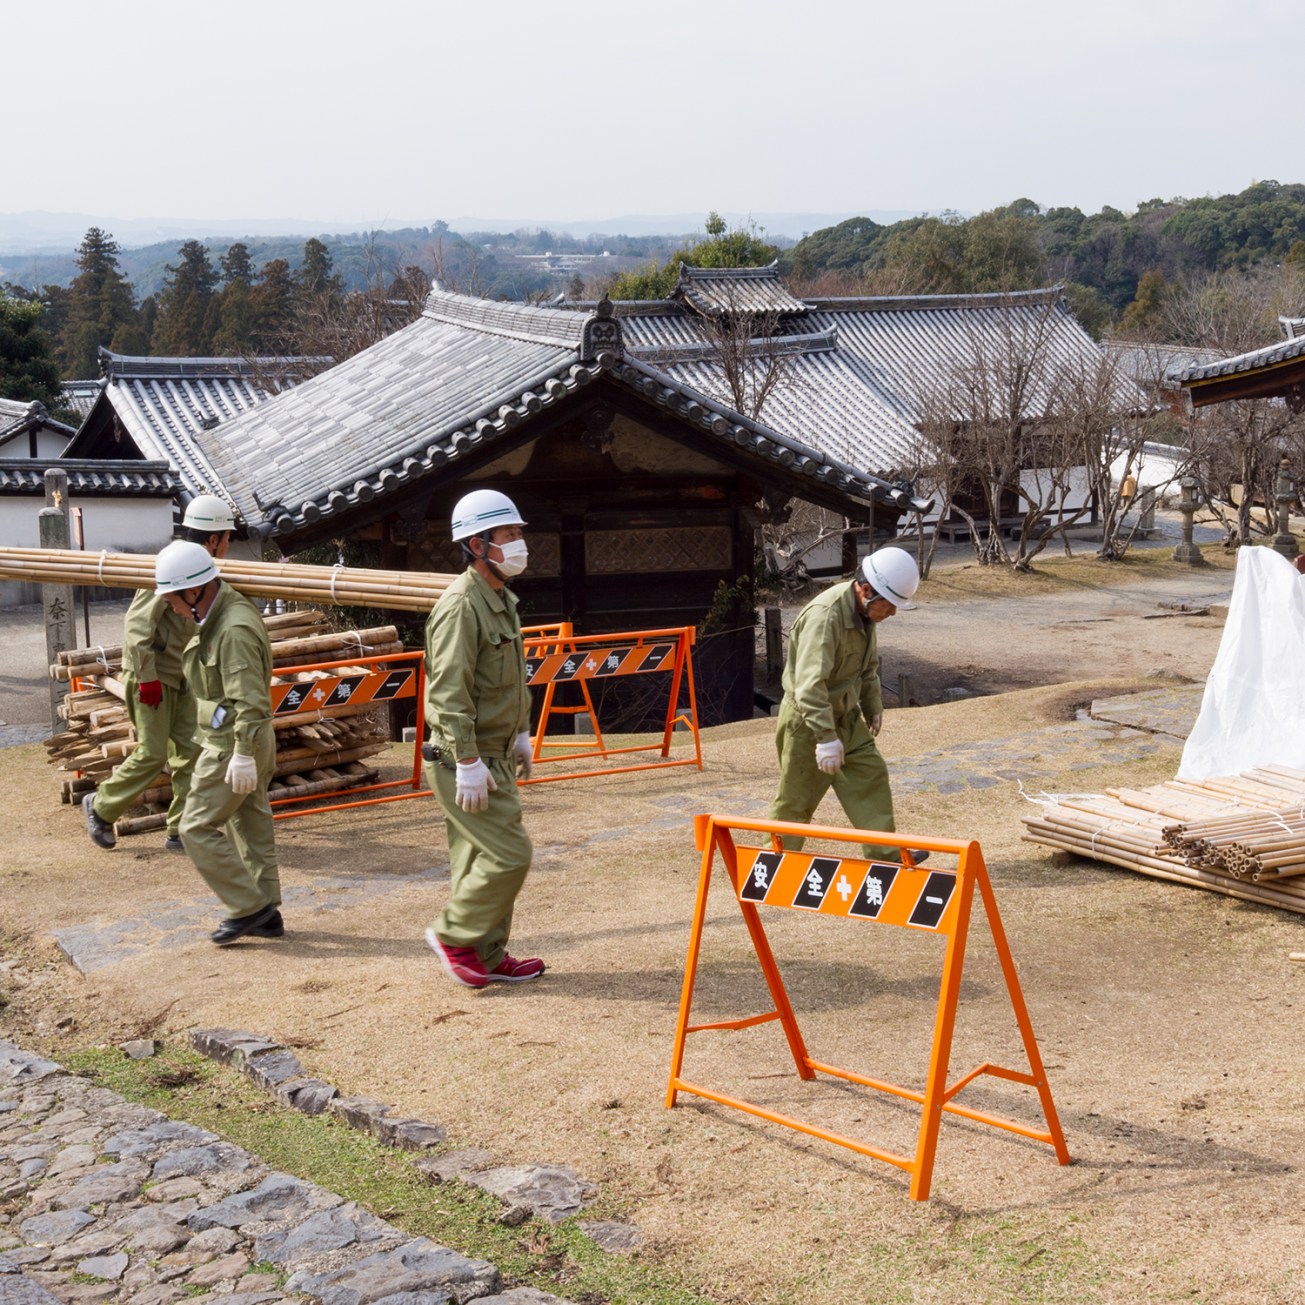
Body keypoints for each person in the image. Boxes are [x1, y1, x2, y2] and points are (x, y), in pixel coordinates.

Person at [422, 488, 541, 989]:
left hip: (493, 752)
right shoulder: (460, 607)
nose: (519, 545)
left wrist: (519, 733)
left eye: (518, 534)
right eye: (508, 535)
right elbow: (449, 691)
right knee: (510, 855)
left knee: (476, 858)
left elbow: (508, 678)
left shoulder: (499, 600)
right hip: (462, 758)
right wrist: (467, 759)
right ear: (477, 544)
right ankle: (453, 935)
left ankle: (487, 954)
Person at [82, 495, 236, 854]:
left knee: (190, 752)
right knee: (152, 753)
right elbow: (137, 627)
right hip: (151, 678)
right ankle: (101, 807)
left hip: (182, 679)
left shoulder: (204, 568)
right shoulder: (173, 563)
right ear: (212, 539)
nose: (228, 545)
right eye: (227, 537)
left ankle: (181, 829)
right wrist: (147, 676)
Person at [154, 539, 282, 946]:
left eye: (173, 598)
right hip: (242, 739)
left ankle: (248, 907)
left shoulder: (232, 629)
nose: (171, 607)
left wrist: (243, 754)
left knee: (194, 827)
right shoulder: (220, 616)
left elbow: (250, 701)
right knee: (251, 823)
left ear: (194, 592)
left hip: (234, 744)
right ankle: (267, 912)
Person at [768, 546, 922, 864]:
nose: (892, 613)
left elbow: (867, 667)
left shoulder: (865, 614)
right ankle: (773, 866)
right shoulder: (825, 618)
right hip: (809, 723)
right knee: (796, 800)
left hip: (847, 717)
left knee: (871, 775)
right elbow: (810, 688)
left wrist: (873, 706)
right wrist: (825, 739)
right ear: (866, 591)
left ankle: (885, 858)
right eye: (890, 606)